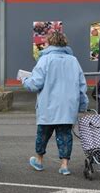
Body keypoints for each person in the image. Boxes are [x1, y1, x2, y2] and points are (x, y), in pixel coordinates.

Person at [21, 31, 88, 175]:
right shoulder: (73, 61)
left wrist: (25, 81)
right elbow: (81, 85)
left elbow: (35, 84)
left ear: (49, 43)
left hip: (48, 104)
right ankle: (64, 165)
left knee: (43, 134)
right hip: (68, 106)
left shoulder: (45, 60)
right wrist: (82, 105)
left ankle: (39, 160)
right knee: (65, 135)